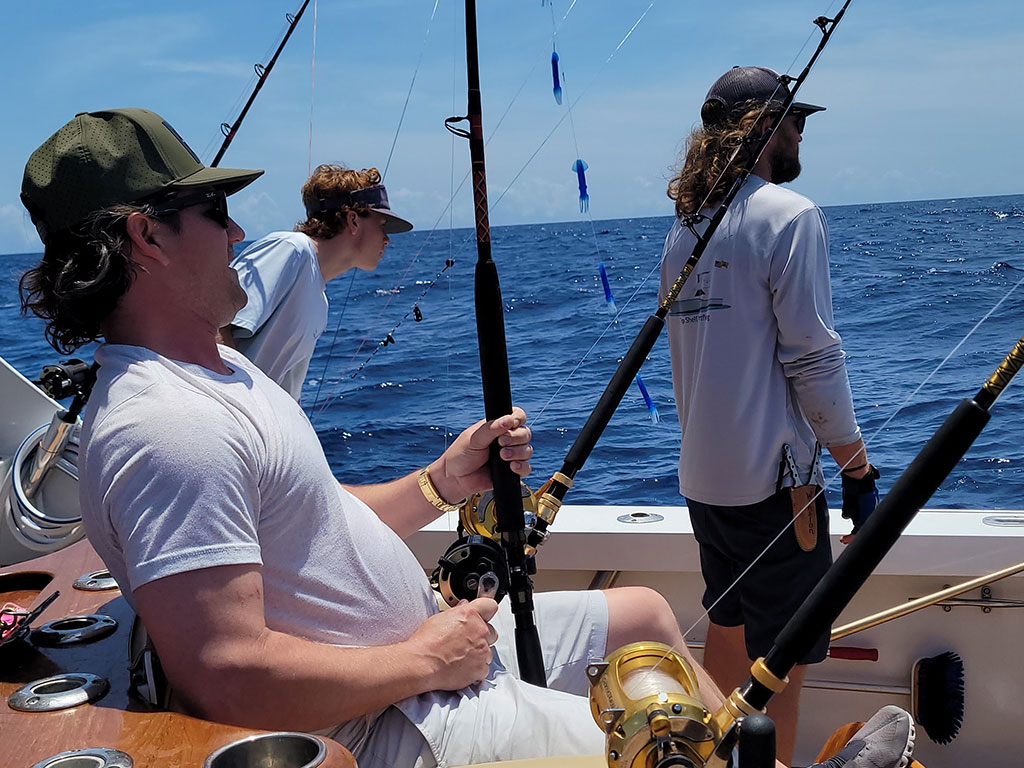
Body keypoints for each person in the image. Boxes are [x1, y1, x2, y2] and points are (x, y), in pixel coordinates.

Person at [20, 107, 910, 768]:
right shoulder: (165, 426)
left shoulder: (219, 371)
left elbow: (312, 511)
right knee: (655, 746)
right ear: (147, 237)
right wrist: (421, 659)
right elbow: (228, 674)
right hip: (400, 720)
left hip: (424, 657)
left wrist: (442, 483)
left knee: (640, 614)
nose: (240, 231)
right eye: (213, 214)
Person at [659, 66, 882, 764]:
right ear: (762, 128)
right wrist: (857, 466)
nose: (800, 132)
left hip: (703, 482)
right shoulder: (791, 216)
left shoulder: (684, 232)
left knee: (726, 628)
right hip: (773, 492)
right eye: (795, 120)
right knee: (779, 663)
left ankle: (711, 759)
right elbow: (814, 357)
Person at [217, 163, 412, 402]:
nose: (387, 239)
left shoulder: (319, 297)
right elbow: (213, 322)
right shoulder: (291, 249)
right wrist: (235, 403)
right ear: (353, 220)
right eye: (381, 226)